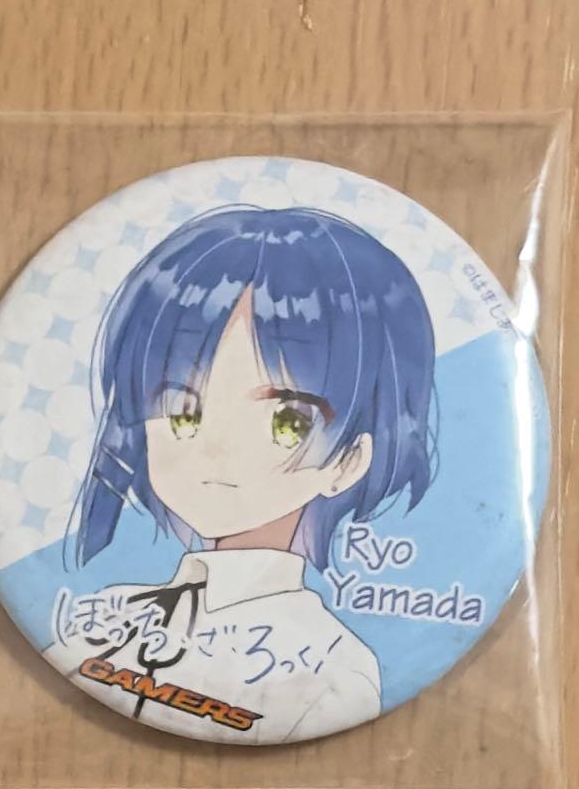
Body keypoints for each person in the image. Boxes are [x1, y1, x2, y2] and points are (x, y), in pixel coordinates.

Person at [43, 205, 436, 744]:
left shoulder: (330, 668)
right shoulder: (104, 619)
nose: (217, 447)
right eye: (183, 410)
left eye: (287, 421)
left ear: (348, 461)